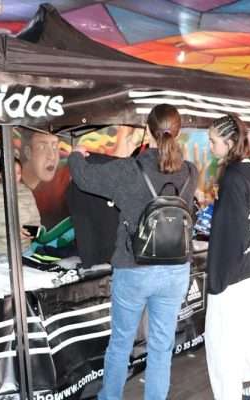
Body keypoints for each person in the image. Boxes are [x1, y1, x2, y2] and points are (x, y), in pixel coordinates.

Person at [68, 104, 198, 400]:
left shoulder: (130, 169)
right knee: (162, 345)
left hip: (134, 267)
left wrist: (76, 154)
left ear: (147, 130)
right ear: (178, 132)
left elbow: (84, 179)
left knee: (121, 343)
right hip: (176, 269)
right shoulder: (191, 171)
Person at [204, 116, 250, 400]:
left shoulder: (233, 177)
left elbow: (231, 235)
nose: (210, 147)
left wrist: (218, 280)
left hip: (234, 276)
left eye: (213, 141)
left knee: (223, 344)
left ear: (230, 142)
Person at [0, 156, 41, 254]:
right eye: (10, 173)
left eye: (18, 173)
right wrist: (11, 231)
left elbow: (35, 220)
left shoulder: (27, 192)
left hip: (25, 250)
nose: (15, 177)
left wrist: (33, 231)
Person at [21, 130, 71, 229]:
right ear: (28, 152)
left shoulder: (65, 174)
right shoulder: (7, 185)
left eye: (55, 147)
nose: (52, 156)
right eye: (42, 147)